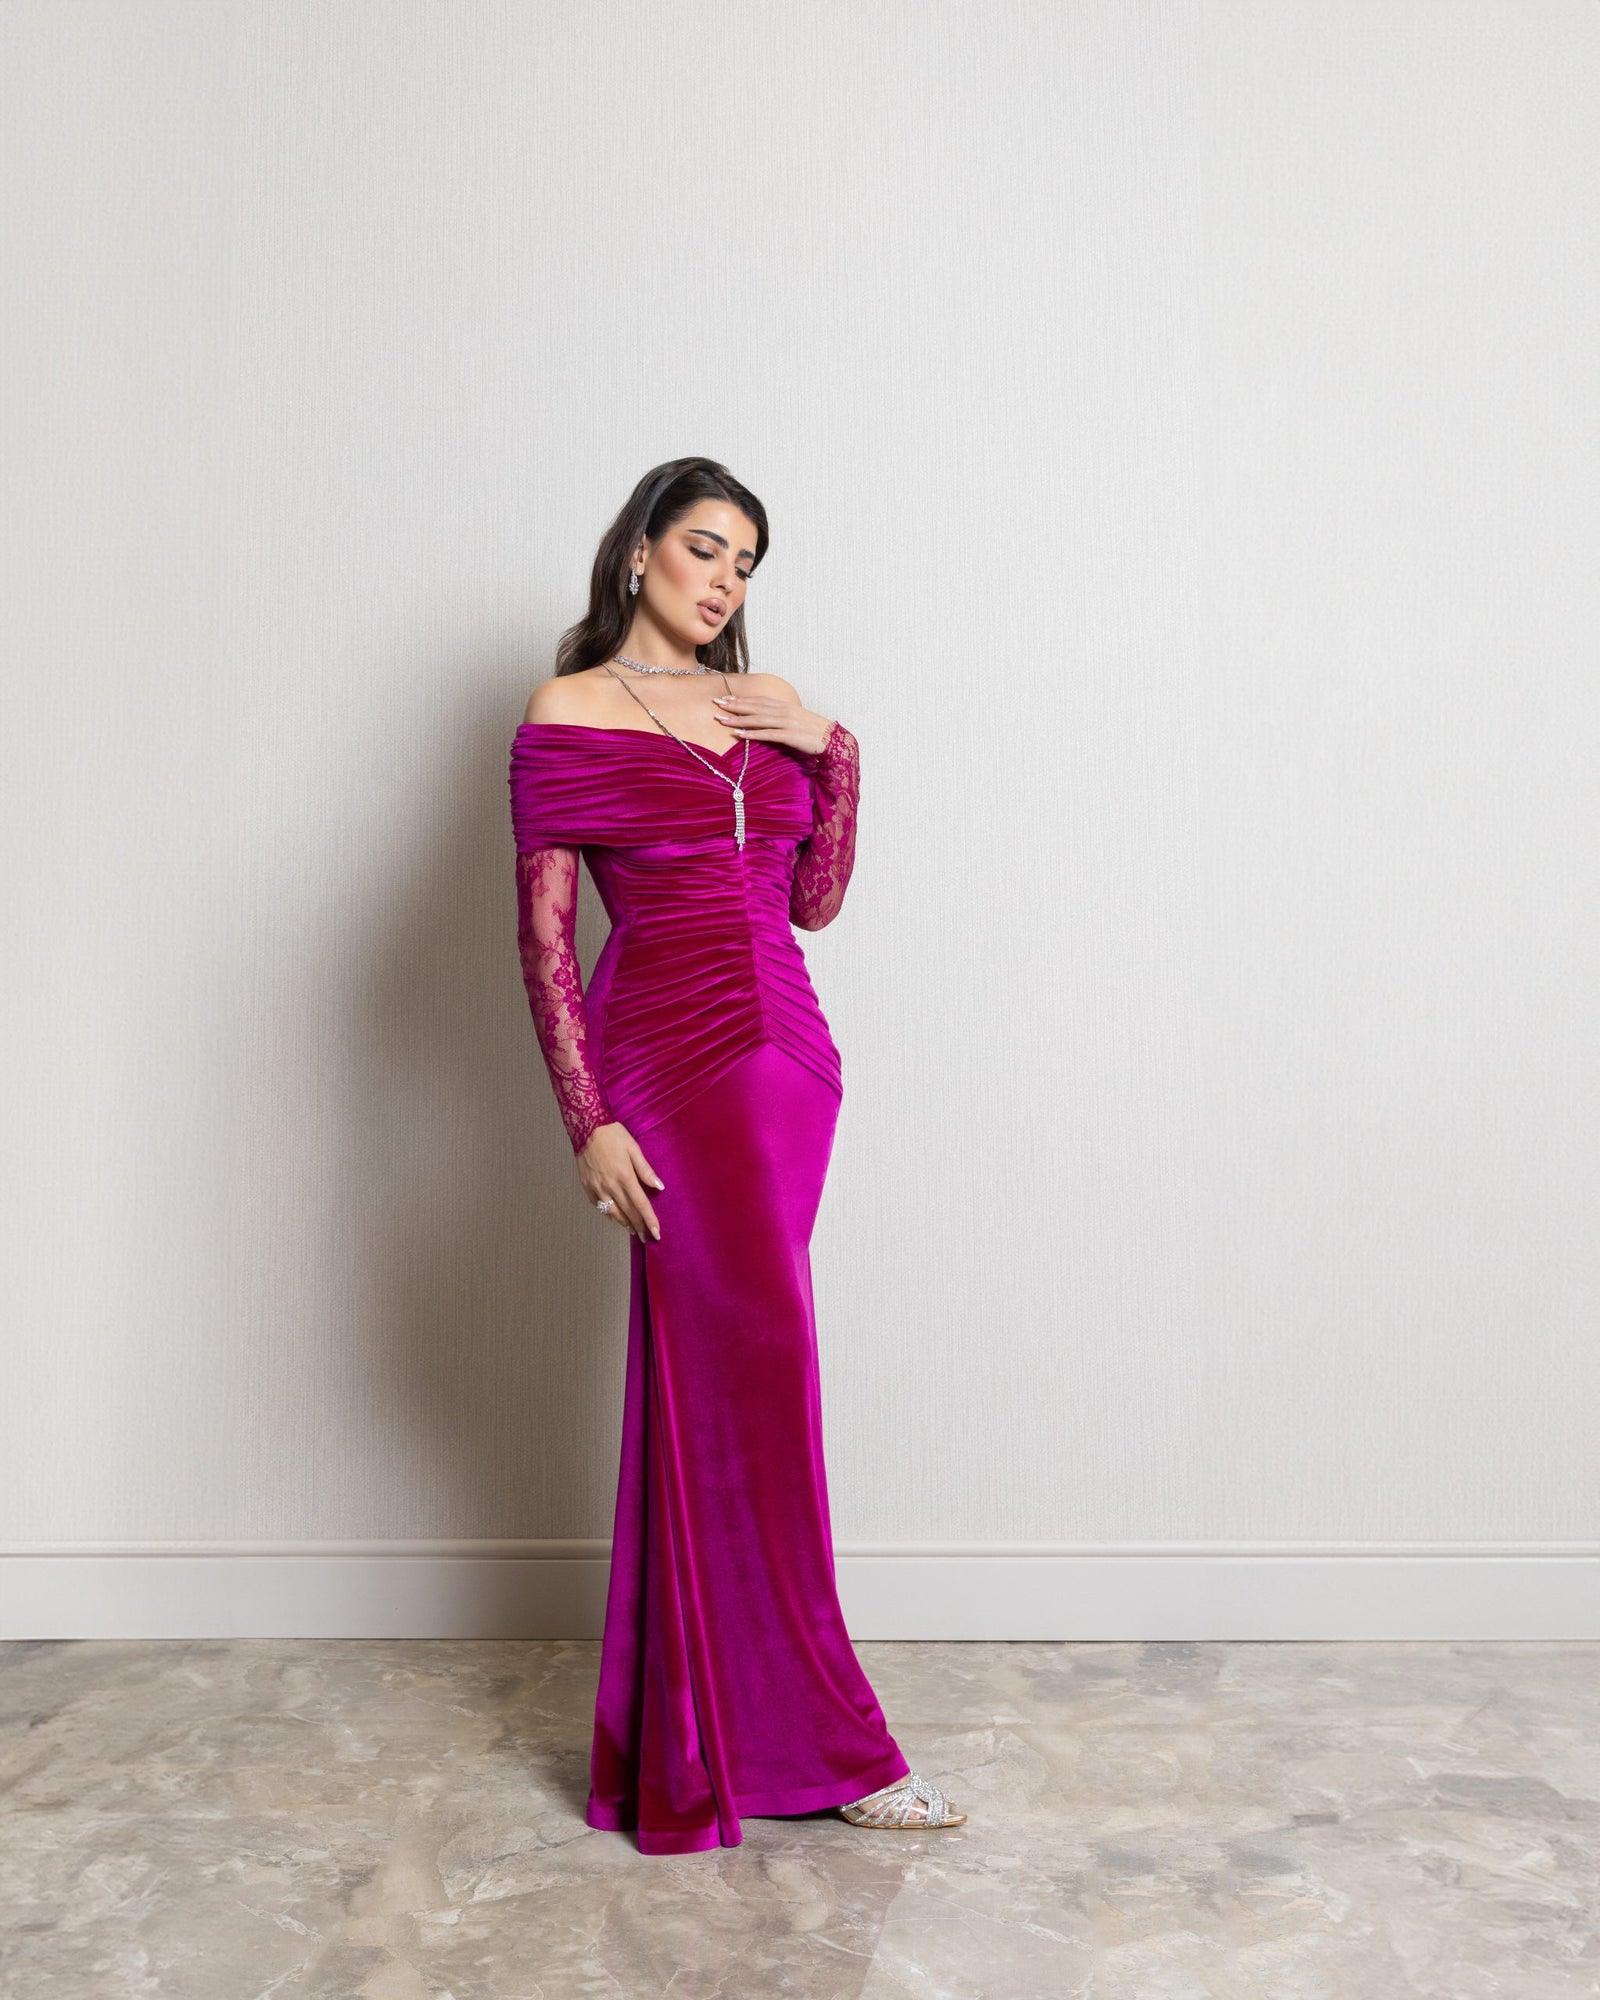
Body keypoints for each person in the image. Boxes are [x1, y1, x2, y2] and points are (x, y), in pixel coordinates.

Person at [507, 456, 966, 1852]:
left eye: (747, 563)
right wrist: (587, 1118)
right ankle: (831, 1746)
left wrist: (832, 743)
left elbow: (815, 902)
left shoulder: (764, 705)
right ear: (638, 551)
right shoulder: (568, 709)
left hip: (793, 1067)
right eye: (706, 548)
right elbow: (545, 941)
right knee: (755, 1388)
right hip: (666, 1067)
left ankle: (715, 1738)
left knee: (739, 1391)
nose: (725, 581)